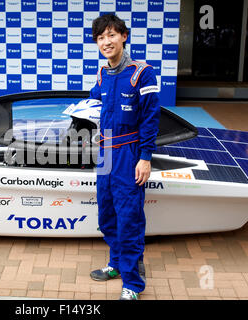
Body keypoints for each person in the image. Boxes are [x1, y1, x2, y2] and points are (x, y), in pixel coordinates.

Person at [88, 14, 161, 300]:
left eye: (111, 35)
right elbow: (95, 102)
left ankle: (132, 284)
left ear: (123, 36)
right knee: (107, 215)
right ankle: (116, 265)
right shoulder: (102, 74)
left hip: (130, 153)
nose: (106, 42)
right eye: (100, 38)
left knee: (129, 218)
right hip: (105, 152)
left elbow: (151, 118)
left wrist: (145, 157)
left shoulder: (142, 72)